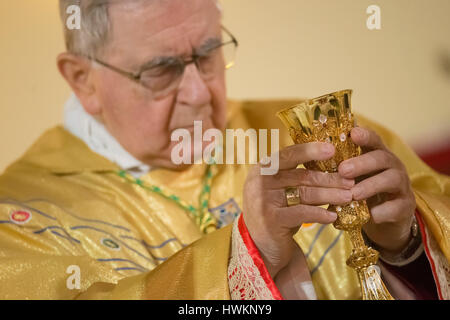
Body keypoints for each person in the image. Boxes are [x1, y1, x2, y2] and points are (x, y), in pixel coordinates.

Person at [0, 0, 448, 300]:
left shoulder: (316, 136)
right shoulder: (20, 221)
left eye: (209, 55)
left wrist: (405, 245)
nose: (199, 93)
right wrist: (250, 254)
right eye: (162, 70)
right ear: (83, 80)